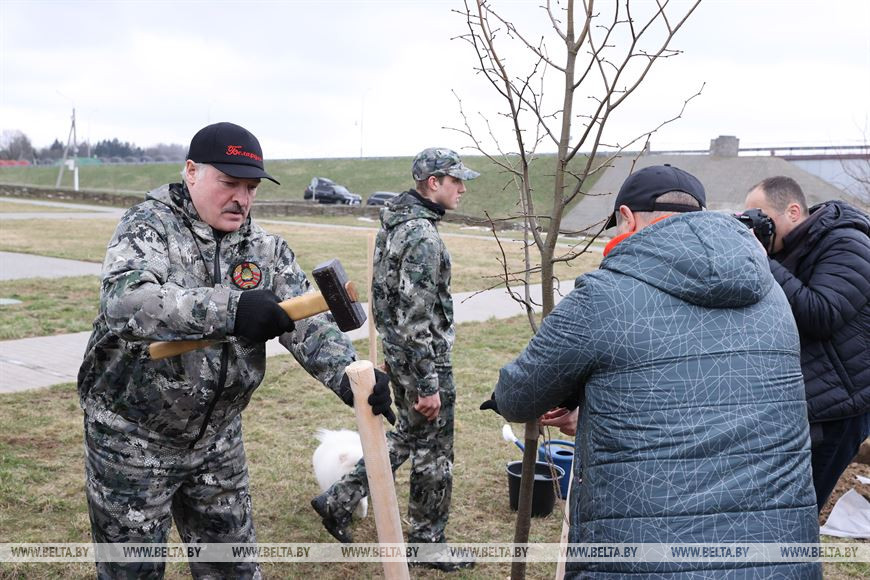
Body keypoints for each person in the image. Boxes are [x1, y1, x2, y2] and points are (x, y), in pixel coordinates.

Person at [77, 121, 394, 579]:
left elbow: (306, 323)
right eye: (228, 183)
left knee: (233, 572)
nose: (241, 198)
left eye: (250, 187)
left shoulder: (263, 249)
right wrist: (230, 308)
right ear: (191, 172)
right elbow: (126, 304)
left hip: (217, 440)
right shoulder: (150, 227)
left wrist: (351, 376)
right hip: (132, 438)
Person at [487, 165, 820, 578]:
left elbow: (519, 396)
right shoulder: (772, 295)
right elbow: (705, 386)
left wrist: (502, 399)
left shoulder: (604, 295)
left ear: (626, 218)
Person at [311, 148, 478, 572]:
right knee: (434, 454)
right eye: (454, 180)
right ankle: (428, 543)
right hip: (423, 360)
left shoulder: (397, 223)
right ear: (432, 183)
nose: (462, 188)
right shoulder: (420, 235)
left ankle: (338, 499)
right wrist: (427, 383)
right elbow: (415, 313)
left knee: (406, 437)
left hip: (403, 356)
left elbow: (392, 305)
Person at [745, 176, 870, 511]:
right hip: (804, 401)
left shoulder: (848, 242)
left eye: (761, 217)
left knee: (799, 510)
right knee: (774, 507)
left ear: (794, 211)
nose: (757, 227)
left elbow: (822, 314)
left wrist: (762, 261)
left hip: (838, 410)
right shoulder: (796, 248)